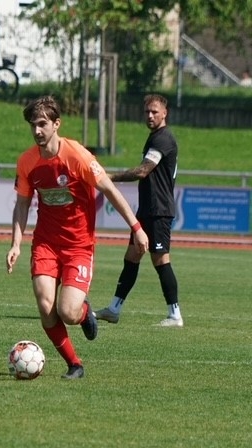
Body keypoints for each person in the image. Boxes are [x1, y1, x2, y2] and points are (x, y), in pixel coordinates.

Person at [6, 96, 148, 379]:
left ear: (56, 124)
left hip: (78, 246)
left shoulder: (78, 156)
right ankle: (74, 364)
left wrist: (137, 228)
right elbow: (22, 204)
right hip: (46, 244)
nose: (37, 131)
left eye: (42, 124)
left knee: (68, 312)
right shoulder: (27, 162)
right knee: (45, 306)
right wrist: (16, 244)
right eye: (33, 125)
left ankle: (84, 314)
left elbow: (109, 190)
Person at [95, 94, 183, 327]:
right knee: (132, 257)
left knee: (160, 259)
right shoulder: (155, 137)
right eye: (147, 112)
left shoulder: (164, 138)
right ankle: (114, 309)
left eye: (155, 112)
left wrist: (109, 177)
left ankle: (175, 315)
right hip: (147, 210)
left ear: (165, 113)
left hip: (159, 210)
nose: (150, 116)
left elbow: (143, 171)